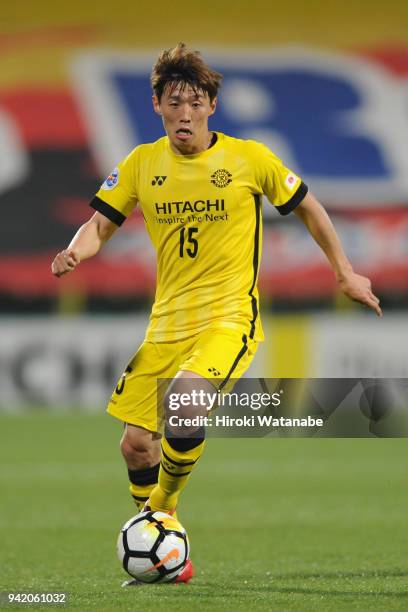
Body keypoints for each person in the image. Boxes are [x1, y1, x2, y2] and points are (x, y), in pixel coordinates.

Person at [51, 42, 382, 584]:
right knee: (135, 445)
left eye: (196, 102)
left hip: (229, 318)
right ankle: (163, 546)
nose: (185, 113)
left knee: (185, 403)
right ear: (156, 104)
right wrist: (76, 251)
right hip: (166, 324)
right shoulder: (140, 163)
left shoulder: (250, 159)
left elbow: (310, 207)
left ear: (211, 108)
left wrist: (344, 271)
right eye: (174, 102)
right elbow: (100, 225)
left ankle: (160, 516)